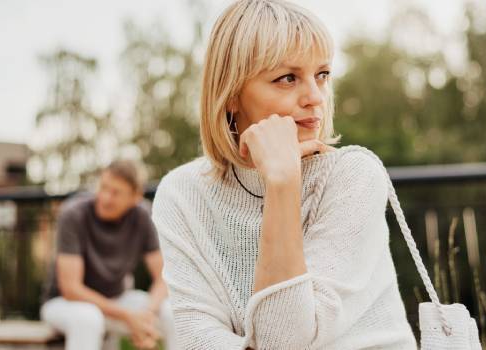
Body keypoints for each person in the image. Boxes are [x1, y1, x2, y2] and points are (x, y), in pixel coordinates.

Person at [150, 0, 417, 348]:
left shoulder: (353, 176)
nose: (315, 97)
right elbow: (196, 336)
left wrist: (282, 183)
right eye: (287, 78)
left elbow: (285, 340)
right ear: (231, 96)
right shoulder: (181, 194)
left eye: (322, 74)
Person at [41, 160, 175, 350]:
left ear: (135, 196)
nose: (105, 197)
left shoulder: (143, 216)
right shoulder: (72, 215)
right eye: (103, 187)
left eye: (116, 193)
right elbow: (71, 289)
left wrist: (147, 314)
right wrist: (128, 316)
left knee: (174, 312)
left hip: (118, 299)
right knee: (88, 319)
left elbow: (163, 276)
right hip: (64, 303)